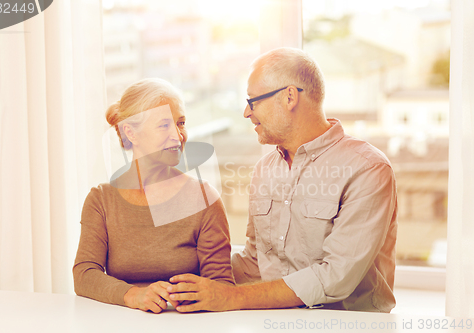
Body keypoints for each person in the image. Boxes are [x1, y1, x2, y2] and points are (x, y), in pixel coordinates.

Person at [167, 47, 398, 312]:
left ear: (289, 97)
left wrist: (231, 298)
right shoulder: (265, 168)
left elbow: (336, 277)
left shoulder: (367, 168)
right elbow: (257, 263)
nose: (246, 112)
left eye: (253, 101)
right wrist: (177, 268)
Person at [73, 78, 234, 313]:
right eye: (164, 125)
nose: (178, 136)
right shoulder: (101, 200)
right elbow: (84, 274)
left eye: (181, 123)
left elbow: (221, 287)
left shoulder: (204, 198)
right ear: (131, 132)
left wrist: (189, 295)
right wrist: (134, 295)